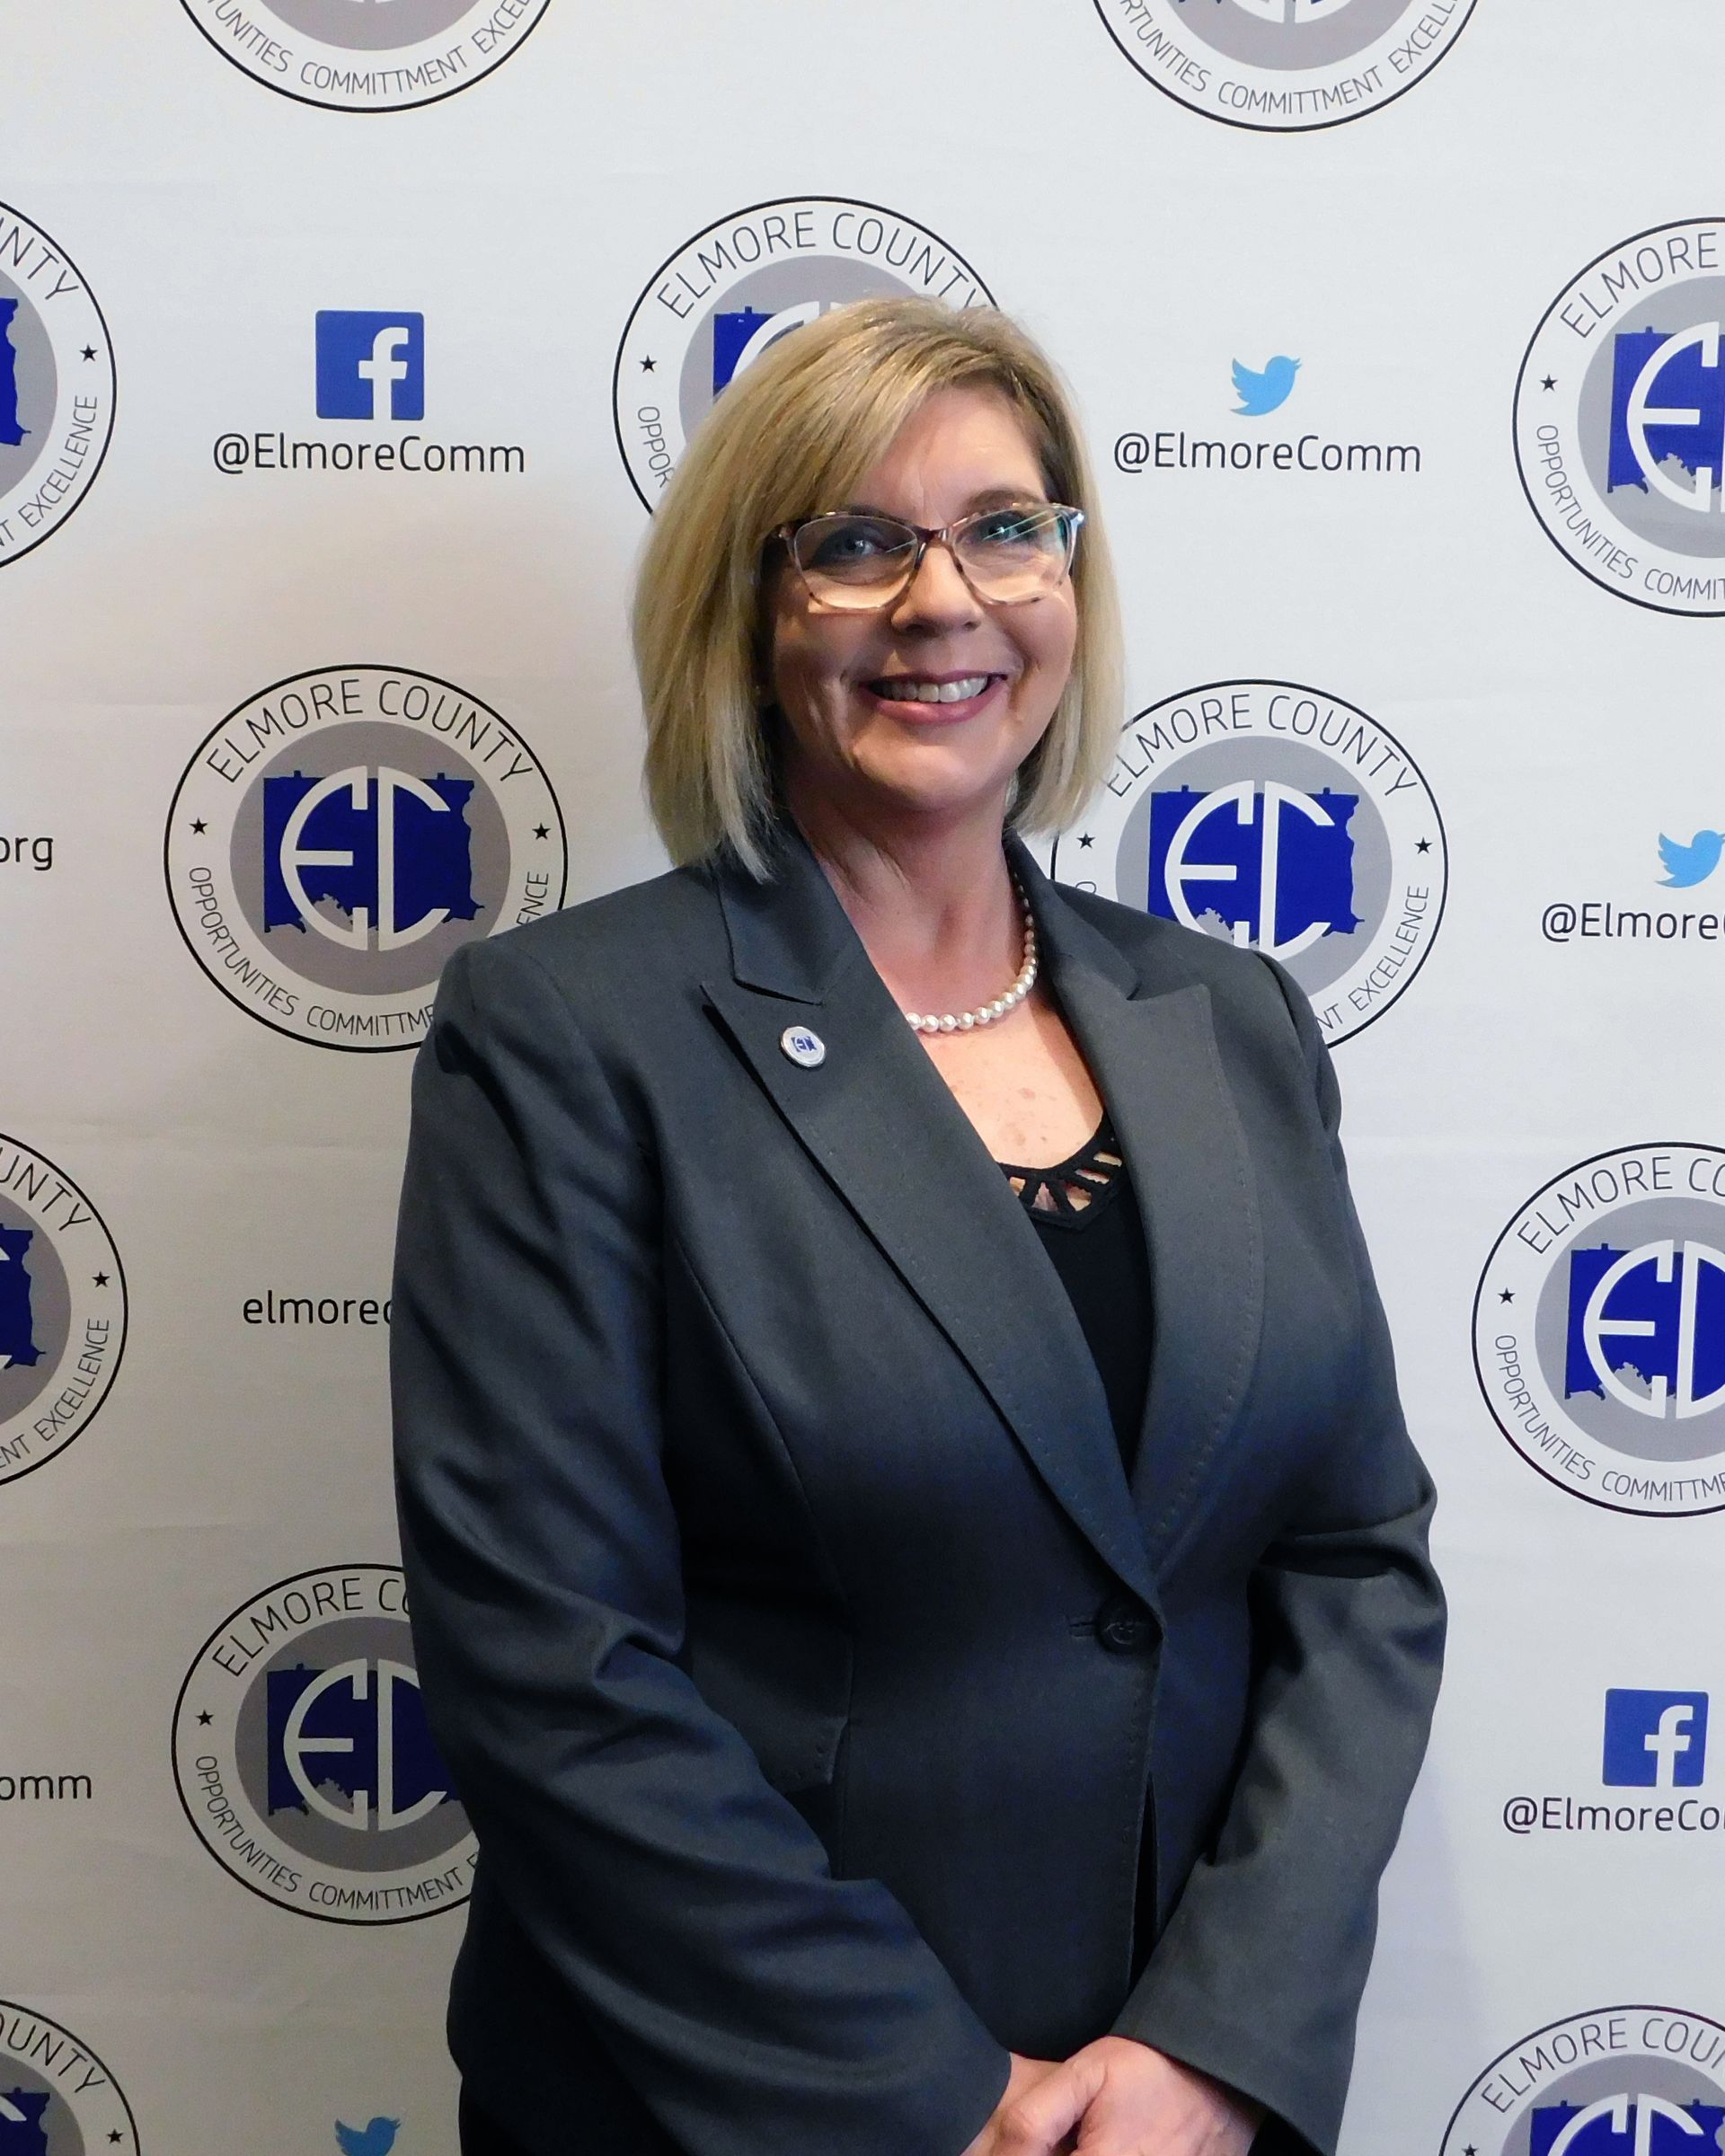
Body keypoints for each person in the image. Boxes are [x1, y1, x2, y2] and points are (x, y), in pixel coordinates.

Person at [390, 295, 1446, 2156]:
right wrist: (943, 2101)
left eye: (1004, 528)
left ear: (1068, 578)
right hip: (746, 2108)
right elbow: (553, 1666)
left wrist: (1213, 2050)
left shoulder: (1236, 1019)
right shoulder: (571, 1036)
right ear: (750, 606)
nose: (943, 599)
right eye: (859, 546)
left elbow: (1356, 1560)